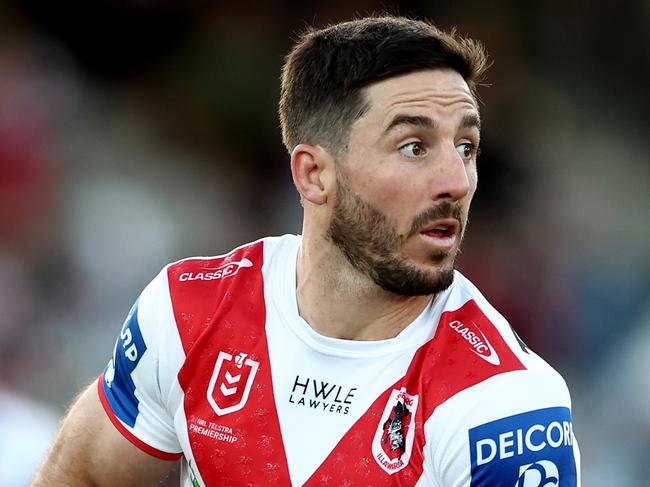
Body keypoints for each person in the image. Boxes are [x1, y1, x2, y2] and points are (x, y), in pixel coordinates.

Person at [31, 16, 581, 486]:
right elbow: (82, 475)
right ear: (314, 175)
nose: (456, 180)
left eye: (466, 146)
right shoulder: (189, 312)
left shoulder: (503, 411)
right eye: (414, 146)